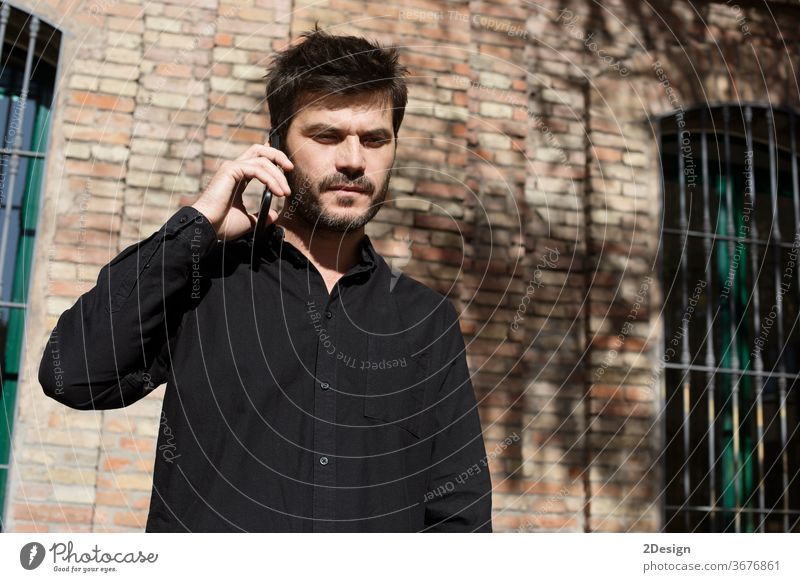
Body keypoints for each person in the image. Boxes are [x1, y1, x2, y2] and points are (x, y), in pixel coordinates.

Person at [38, 24, 492, 532]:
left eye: (374, 139)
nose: (353, 159)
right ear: (277, 145)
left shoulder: (424, 319)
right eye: (326, 135)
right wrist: (196, 228)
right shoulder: (203, 279)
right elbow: (71, 374)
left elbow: (459, 513)